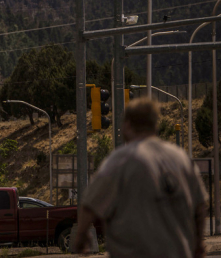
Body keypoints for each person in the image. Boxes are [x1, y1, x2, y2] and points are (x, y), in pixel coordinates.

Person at [72, 96, 206, 258]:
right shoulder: (181, 158)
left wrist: (81, 235)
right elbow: (200, 205)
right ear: (154, 125)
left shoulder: (120, 160)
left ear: (128, 125)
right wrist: (199, 243)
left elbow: (90, 204)